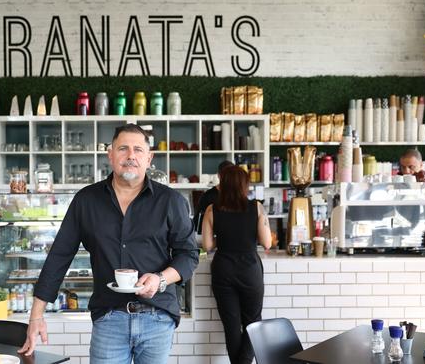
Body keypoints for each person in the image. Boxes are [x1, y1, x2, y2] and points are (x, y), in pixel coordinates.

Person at [18, 124, 199, 364]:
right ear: (110, 155)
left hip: (157, 317)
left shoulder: (171, 201)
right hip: (109, 319)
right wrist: (36, 315)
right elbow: (59, 256)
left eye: (138, 149)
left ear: (149, 158)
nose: (131, 156)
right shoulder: (86, 200)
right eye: (123, 148)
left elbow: (188, 255)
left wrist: (160, 279)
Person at [201, 165, 272, 364]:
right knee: (252, 320)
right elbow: (267, 243)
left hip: (223, 269)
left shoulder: (211, 209)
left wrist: (223, 238)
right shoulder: (256, 207)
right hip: (249, 269)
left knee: (231, 325)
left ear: (223, 185)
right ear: (244, 186)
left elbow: (207, 245)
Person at [192, 160, 234, 234]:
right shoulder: (208, 196)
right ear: (218, 175)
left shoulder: (237, 195)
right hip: (212, 238)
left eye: (231, 175)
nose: (228, 178)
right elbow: (197, 223)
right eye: (225, 175)